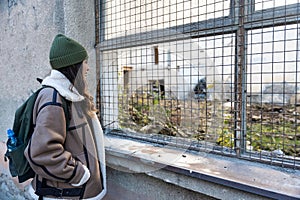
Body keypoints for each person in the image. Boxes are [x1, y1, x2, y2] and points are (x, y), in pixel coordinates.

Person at [24, 34, 106, 199]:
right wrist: (79, 174)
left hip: (72, 192)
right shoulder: (54, 98)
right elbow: (42, 152)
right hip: (64, 193)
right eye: (85, 63)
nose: (88, 68)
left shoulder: (67, 94)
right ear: (74, 66)